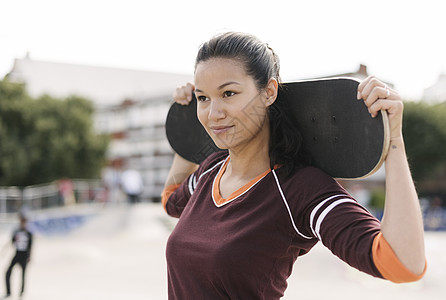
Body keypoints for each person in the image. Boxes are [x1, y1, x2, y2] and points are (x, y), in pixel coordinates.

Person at [161, 32, 426, 299]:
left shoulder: (299, 188)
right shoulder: (211, 169)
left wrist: (395, 142)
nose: (213, 113)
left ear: (269, 92)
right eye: (203, 98)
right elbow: (172, 201)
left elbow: (403, 263)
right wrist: (184, 123)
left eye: (228, 93)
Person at [3, 213, 33, 299]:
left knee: (23, 275)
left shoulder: (28, 233)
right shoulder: (16, 232)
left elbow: (30, 246)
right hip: (17, 254)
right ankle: (8, 292)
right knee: (8, 272)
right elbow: (12, 242)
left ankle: (21, 293)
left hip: (24, 255)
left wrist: (29, 256)